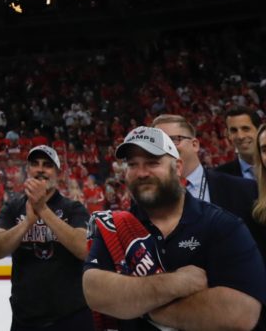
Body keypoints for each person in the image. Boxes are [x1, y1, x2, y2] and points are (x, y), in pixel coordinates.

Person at [83, 126, 266, 330]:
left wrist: (140, 306)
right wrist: (177, 283)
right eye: (133, 164)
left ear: (178, 167)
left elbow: (240, 313)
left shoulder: (223, 225)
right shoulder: (114, 226)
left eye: (152, 162)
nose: (141, 173)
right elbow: (96, 292)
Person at [0, 145, 93, 331]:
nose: (40, 169)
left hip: (72, 317)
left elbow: (84, 249)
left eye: (47, 165)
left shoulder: (74, 208)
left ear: (58, 173)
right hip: (25, 318)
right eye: (35, 164)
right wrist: (27, 222)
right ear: (28, 170)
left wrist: (43, 209)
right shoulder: (12, 208)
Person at [152, 114, 266, 260]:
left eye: (174, 139)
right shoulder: (148, 200)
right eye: (157, 143)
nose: (165, 148)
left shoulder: (245, 189)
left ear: (195, 144)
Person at [218, 107, 261, 181]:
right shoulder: (219, 177)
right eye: (233, 130)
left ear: (260, 131)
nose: (240, 136)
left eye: (246, 129)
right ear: (228, 135)